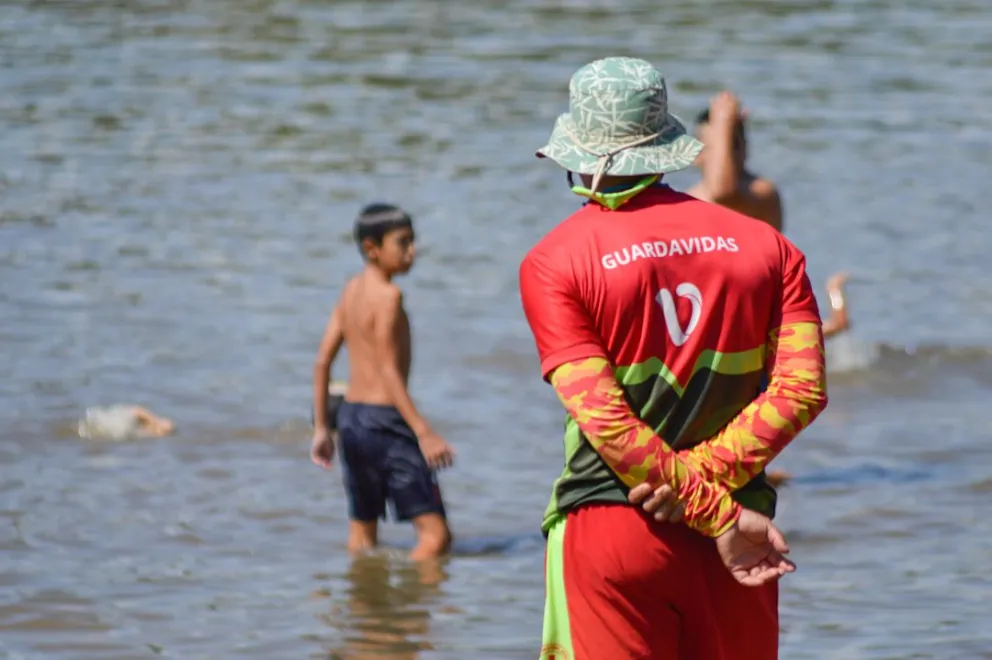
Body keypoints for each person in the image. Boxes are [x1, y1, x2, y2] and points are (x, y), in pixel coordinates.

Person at [521, 57, 828, 659]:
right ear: (664, 146)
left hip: (615, 526)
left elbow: (606, 422)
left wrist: (697, 501)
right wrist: (714, 491)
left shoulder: (553, 261)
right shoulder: (771, 248)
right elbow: (802, 391)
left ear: (581, 155)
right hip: (743, 529)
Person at [311, 203, 454, 561]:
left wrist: (322, 428)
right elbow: (389, 371)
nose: (412, 251)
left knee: (362, 530)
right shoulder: (389, 298)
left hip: (352, 420)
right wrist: (423, 432)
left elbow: (322, 361)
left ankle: (364, 607)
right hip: (385, 423)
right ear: (372, 249)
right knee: (436, 537)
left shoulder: (350, 289)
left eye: (412, 241)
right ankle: (409, 613)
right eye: (402, 242)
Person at [690, 91, 851, 339]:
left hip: (753, 314)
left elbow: (722, 191)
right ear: (696, 154)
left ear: (745, 149)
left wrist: (722, 124)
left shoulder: (761, 192)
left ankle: (835, 306)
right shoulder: (686, 199)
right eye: (717, 145)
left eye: (732, 143)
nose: (725, 153)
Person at [77, 404, 174, 440]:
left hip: (113, 430)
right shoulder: (149, 420)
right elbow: (137, 410)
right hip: (115, 422)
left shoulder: (146, 434)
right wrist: (155, 421)